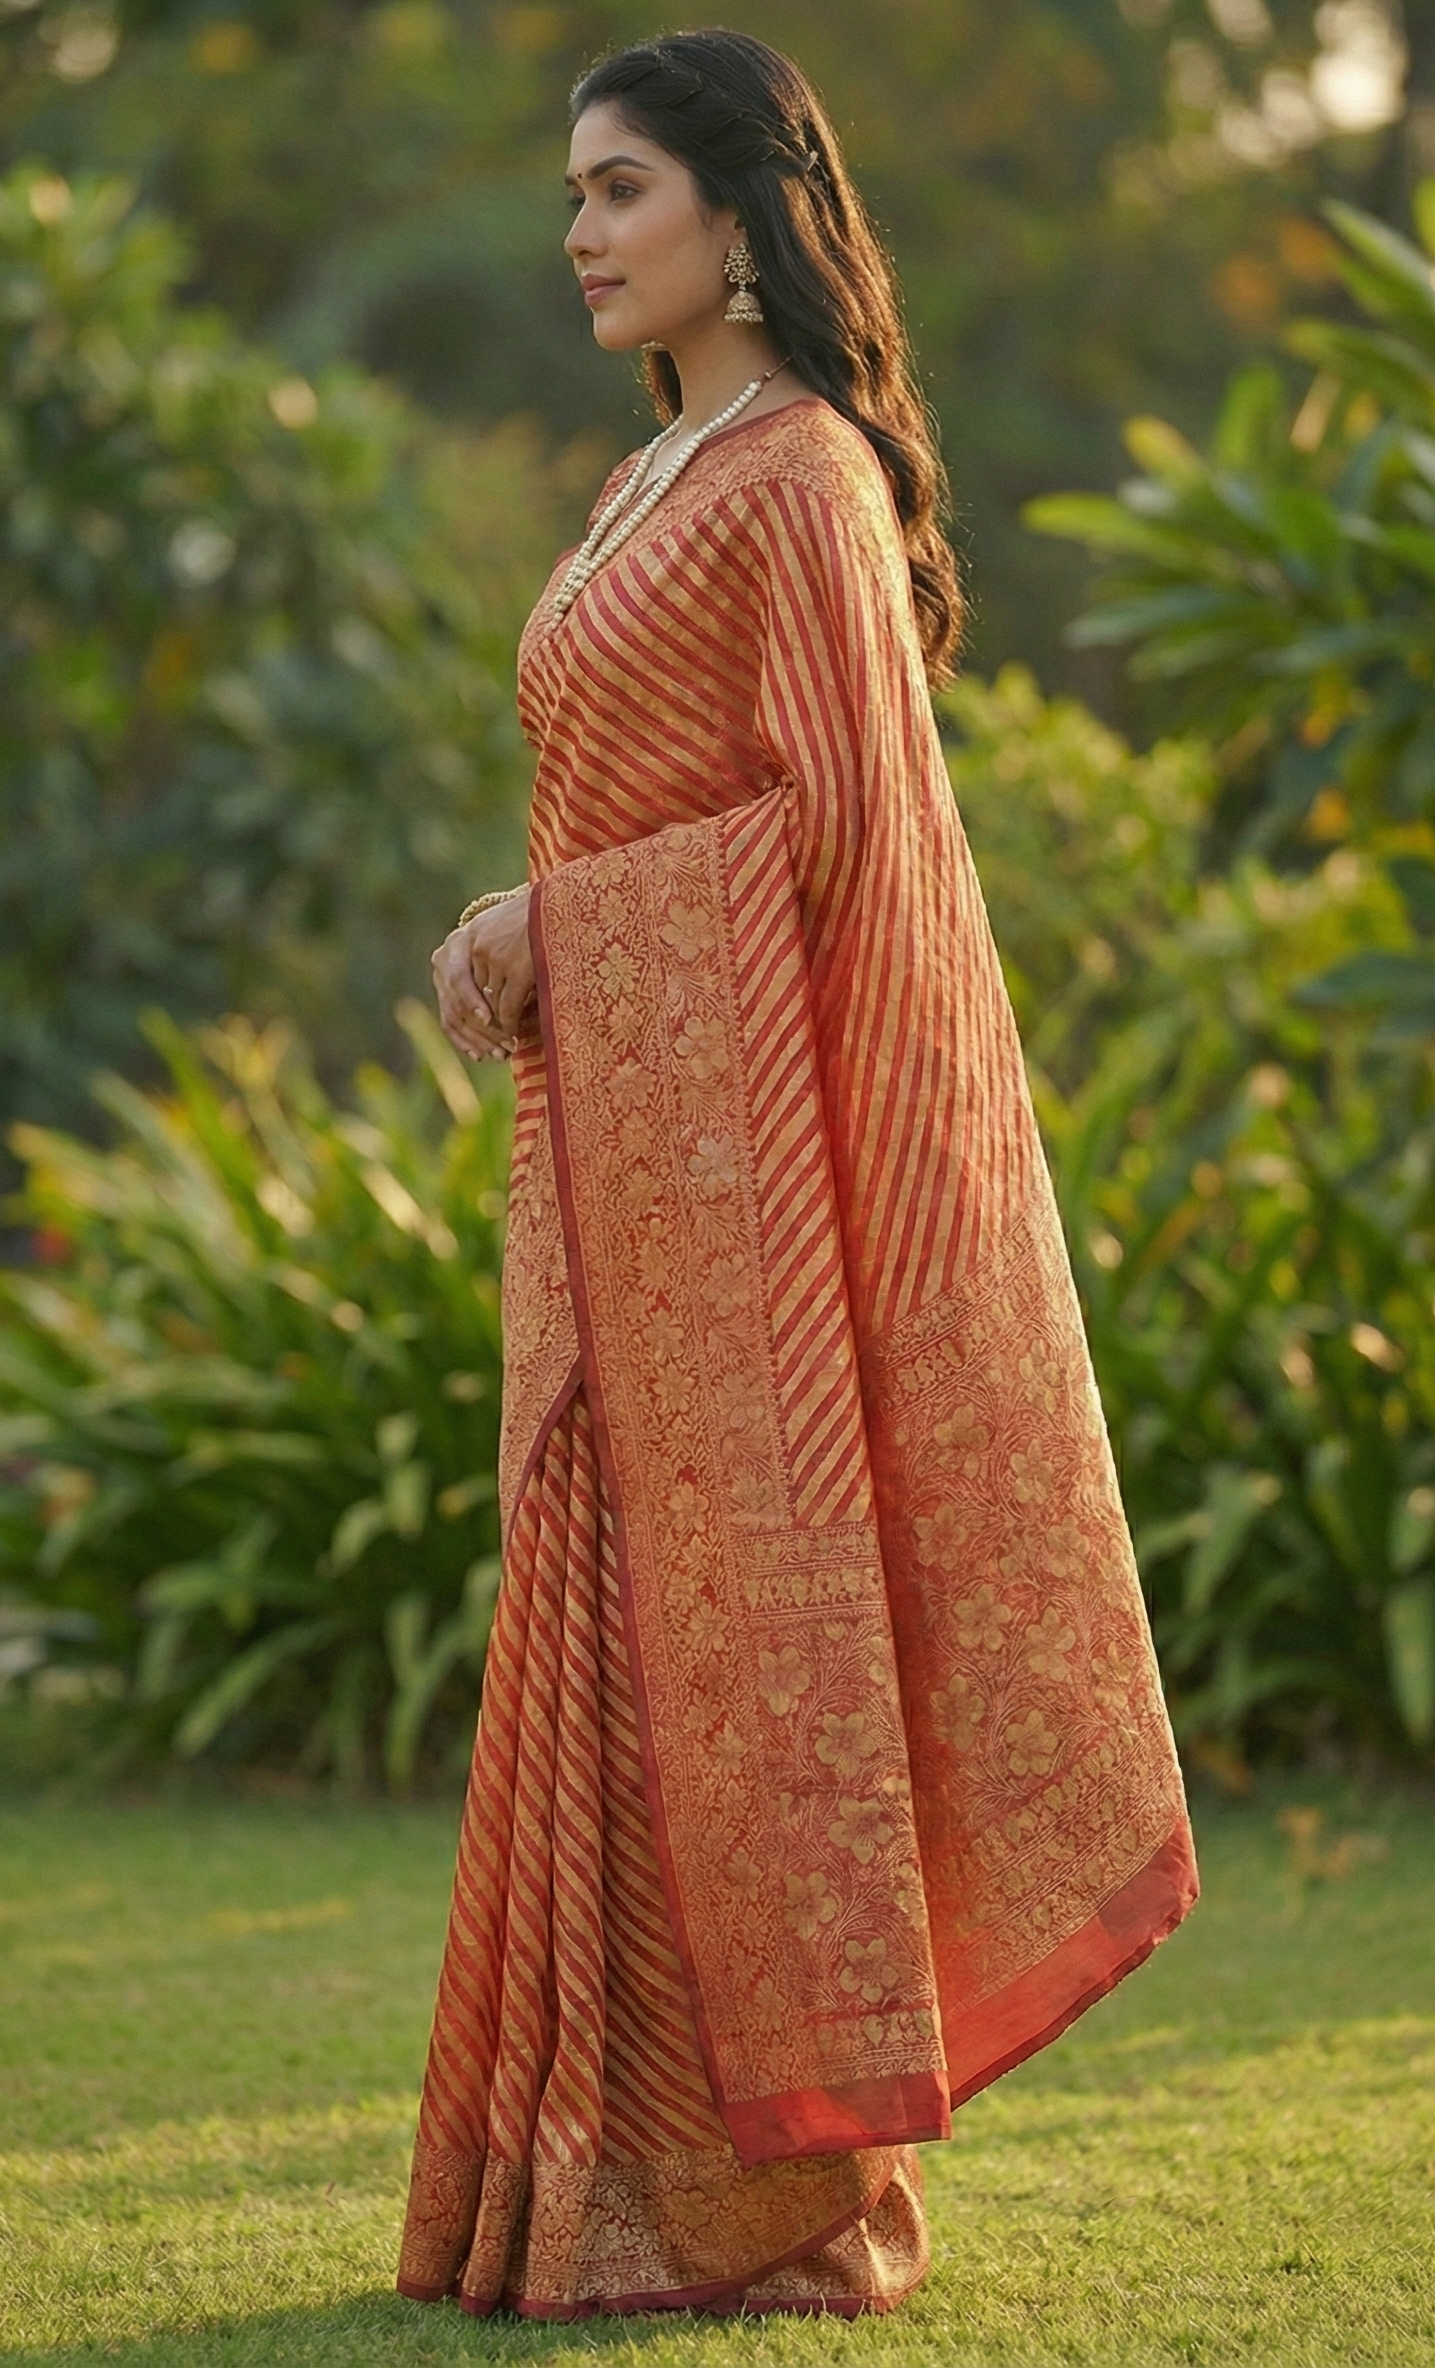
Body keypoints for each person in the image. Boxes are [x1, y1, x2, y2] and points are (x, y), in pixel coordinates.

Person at [401, 27, 1197, 2322]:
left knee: (739, 1664)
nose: (579, 234)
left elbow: (849, 830)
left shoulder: (803, 479)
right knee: (611, 1641)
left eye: (620, 190)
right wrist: (543, 941)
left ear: (741, 218)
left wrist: (566, 928)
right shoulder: (647, 479)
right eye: (572, 194)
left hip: (746, 1185)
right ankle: (586, 2189)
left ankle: (769, 2200)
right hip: (625, 1165)